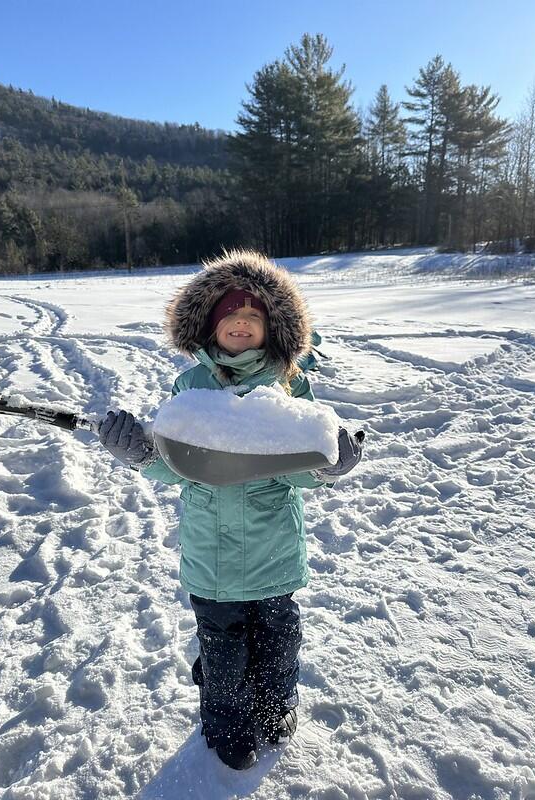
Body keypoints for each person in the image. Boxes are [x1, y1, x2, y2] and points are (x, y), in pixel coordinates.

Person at [98, 250, 363, 770]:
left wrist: (328, 464)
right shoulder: (190, 389)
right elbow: (177, 464)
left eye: (254, 317)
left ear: (272, 329)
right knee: (222, 654)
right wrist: (143, 453)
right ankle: (229, 727)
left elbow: (299, 464)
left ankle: (273, 709)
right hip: (212, 558)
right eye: (230, 317)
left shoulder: (290, 388)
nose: (241, 324)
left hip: (274, 555)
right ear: (209, 326)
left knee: (279, 645)